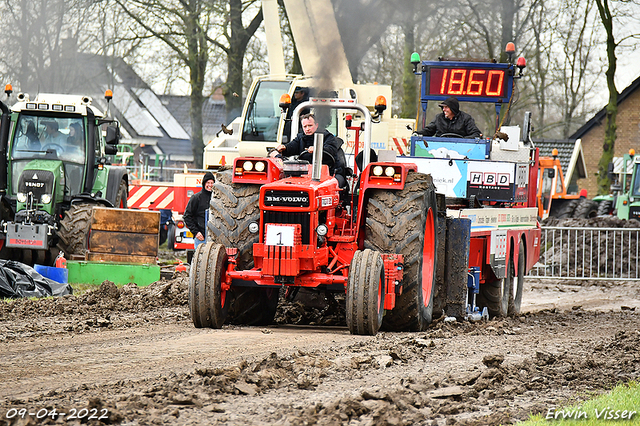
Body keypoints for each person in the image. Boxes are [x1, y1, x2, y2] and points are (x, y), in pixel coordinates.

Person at [271, 113, 346, 187]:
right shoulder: (301, 138)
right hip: (306, 173)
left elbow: (330, 150)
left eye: (310, 126)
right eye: (305, 127)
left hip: (330, 172)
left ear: (316, 125)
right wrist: (284, 148)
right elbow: (292, 146)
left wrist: (317, 149)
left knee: (335, 183)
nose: (307, 129)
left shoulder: (328, 137)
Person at [416, 96, 482, 138]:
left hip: (461, 150)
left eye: (446, 107)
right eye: (443, 107)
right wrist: (418, 133)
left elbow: (476, 134)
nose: (444, 109)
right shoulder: (439, 118)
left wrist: (462, 141)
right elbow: (429, 130)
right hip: (440, 149)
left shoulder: (466, 119)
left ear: (453, 108)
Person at [183, 171, 215, 250]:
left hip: (214, 239)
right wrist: (196, 232)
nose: (210, 185)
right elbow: (187, 216)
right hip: (201, 237)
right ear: (204, 184)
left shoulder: (217, 199)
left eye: (212, 183)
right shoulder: (196, 198)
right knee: (200, 260)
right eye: (208, 182)